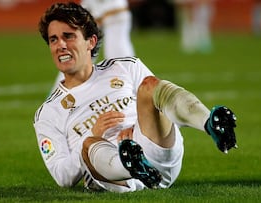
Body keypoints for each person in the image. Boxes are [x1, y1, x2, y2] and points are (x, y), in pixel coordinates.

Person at [34, 2, 237, 193]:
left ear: (91, 42)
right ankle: (130, 162)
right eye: (53, 40)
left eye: (68, 36)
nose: (60, 45)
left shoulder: (124, 66)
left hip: (155, 149)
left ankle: (209, 123)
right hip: (114, 176)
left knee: (150, 86)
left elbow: (162, 103)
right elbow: (63, 177)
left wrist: (141, 124)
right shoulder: (48, 114)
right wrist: (91, 134)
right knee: (89, 145)